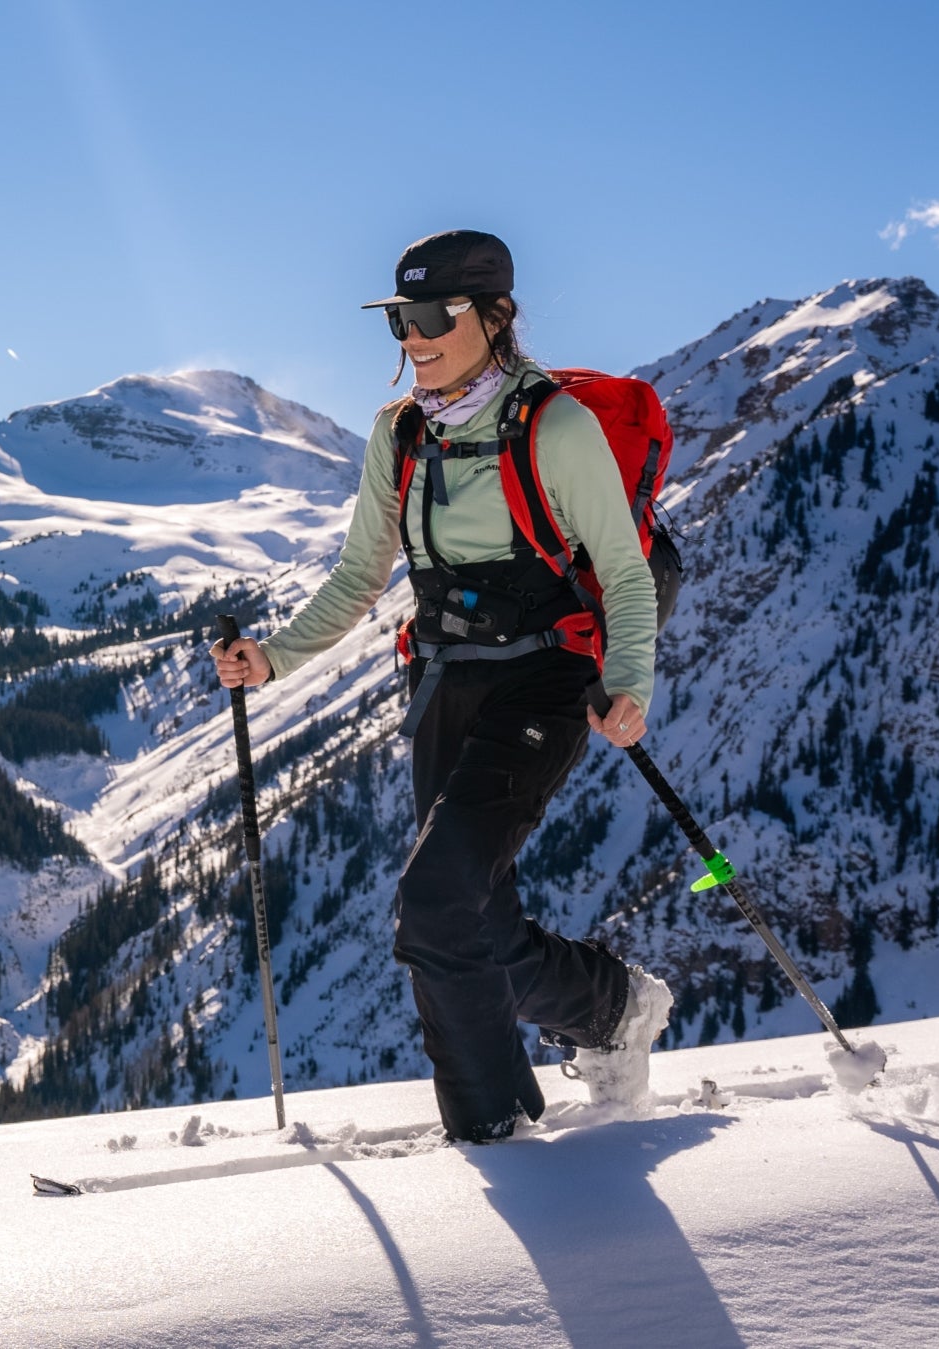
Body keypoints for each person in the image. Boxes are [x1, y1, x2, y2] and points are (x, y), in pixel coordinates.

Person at [210, 229, 674, 1143]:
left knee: (433, 903)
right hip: (442, 680)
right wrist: (274, 659)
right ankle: (615, 1009)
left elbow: (622, 572)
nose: (412, 338)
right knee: (479, 919)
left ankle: (493, 1137)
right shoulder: (403, 432)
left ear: (496, 317)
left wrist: (628, 684)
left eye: (432, 317)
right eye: (399, 320)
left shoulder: (556, 427)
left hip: (545, 681)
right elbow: (358, 578)